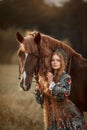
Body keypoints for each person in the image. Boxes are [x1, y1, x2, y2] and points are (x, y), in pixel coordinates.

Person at [35, 48, 87, 130]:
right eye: (53, 60)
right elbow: (41, 101)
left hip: (66, 113)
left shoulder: (66, 77)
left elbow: (64, 94)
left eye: (58, 60)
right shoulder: (48, 77)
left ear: (62, 62)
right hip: (52, 116)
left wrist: (51, 83)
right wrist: (38, 91)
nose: (55, 62)